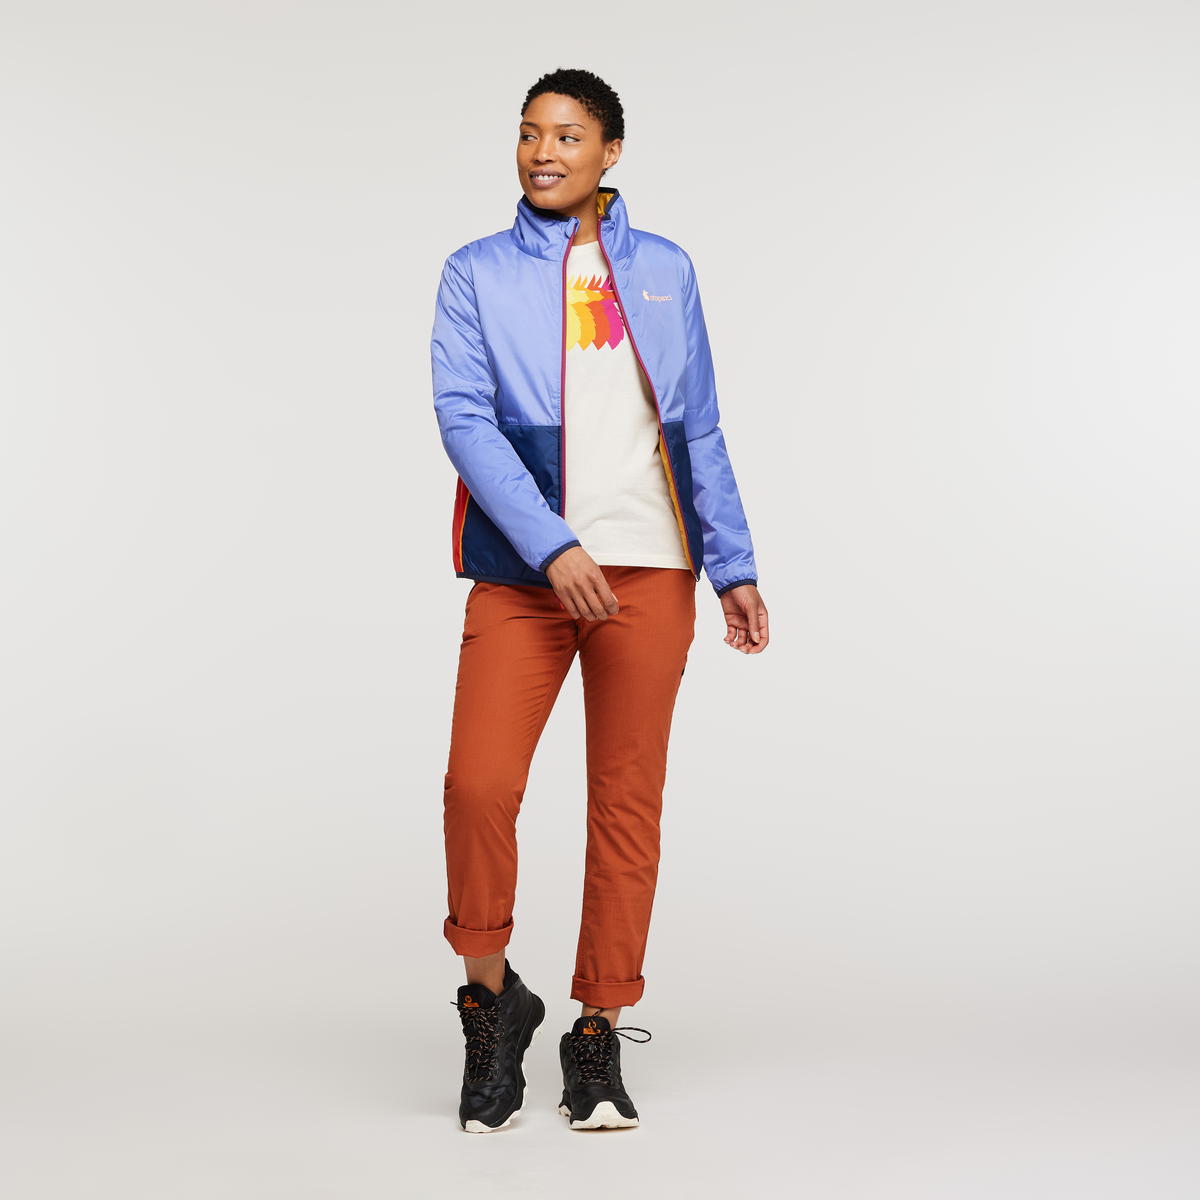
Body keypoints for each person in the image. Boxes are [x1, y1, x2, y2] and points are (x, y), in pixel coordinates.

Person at [431, 68, 768, 1133]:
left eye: (568, 135)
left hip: (652, 569)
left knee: (626, 801)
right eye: (530, 133)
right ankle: (493, 1001)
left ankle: (596, 1027)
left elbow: (698, 424)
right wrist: (553, 544)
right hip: (525, 572)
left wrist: (732, 562)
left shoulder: (665, 268)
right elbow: (464, 419)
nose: (544, 152)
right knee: (478, 786)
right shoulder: (475, 272)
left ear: (610, 151)